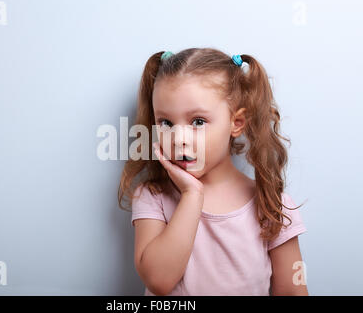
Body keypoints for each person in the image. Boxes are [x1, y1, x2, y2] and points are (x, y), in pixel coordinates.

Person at [118, 48, 308, 296]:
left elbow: (293, 292)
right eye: (166, 122)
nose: (179, 138)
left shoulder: (271, 205)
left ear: (236, 123)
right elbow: (158, 281)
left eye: (198, 122)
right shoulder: (152, 196)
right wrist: (191, 195)